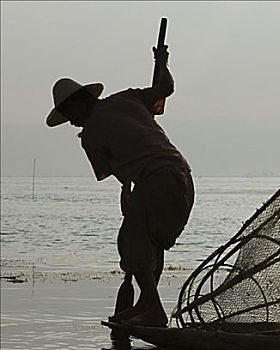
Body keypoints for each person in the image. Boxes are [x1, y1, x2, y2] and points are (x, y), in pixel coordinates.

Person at [46, 45, 194, 327]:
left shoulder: (90, 136)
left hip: (157, 179)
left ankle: (152, 308)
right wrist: (163, 63)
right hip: (182, 177)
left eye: (70, 112)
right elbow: (166, 87)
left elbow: (117, 172)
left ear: (81, 101)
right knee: (152, 243)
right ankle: (144, 305)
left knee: (132, 245)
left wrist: (129, 194)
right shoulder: (129, 99)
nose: (71, 120)